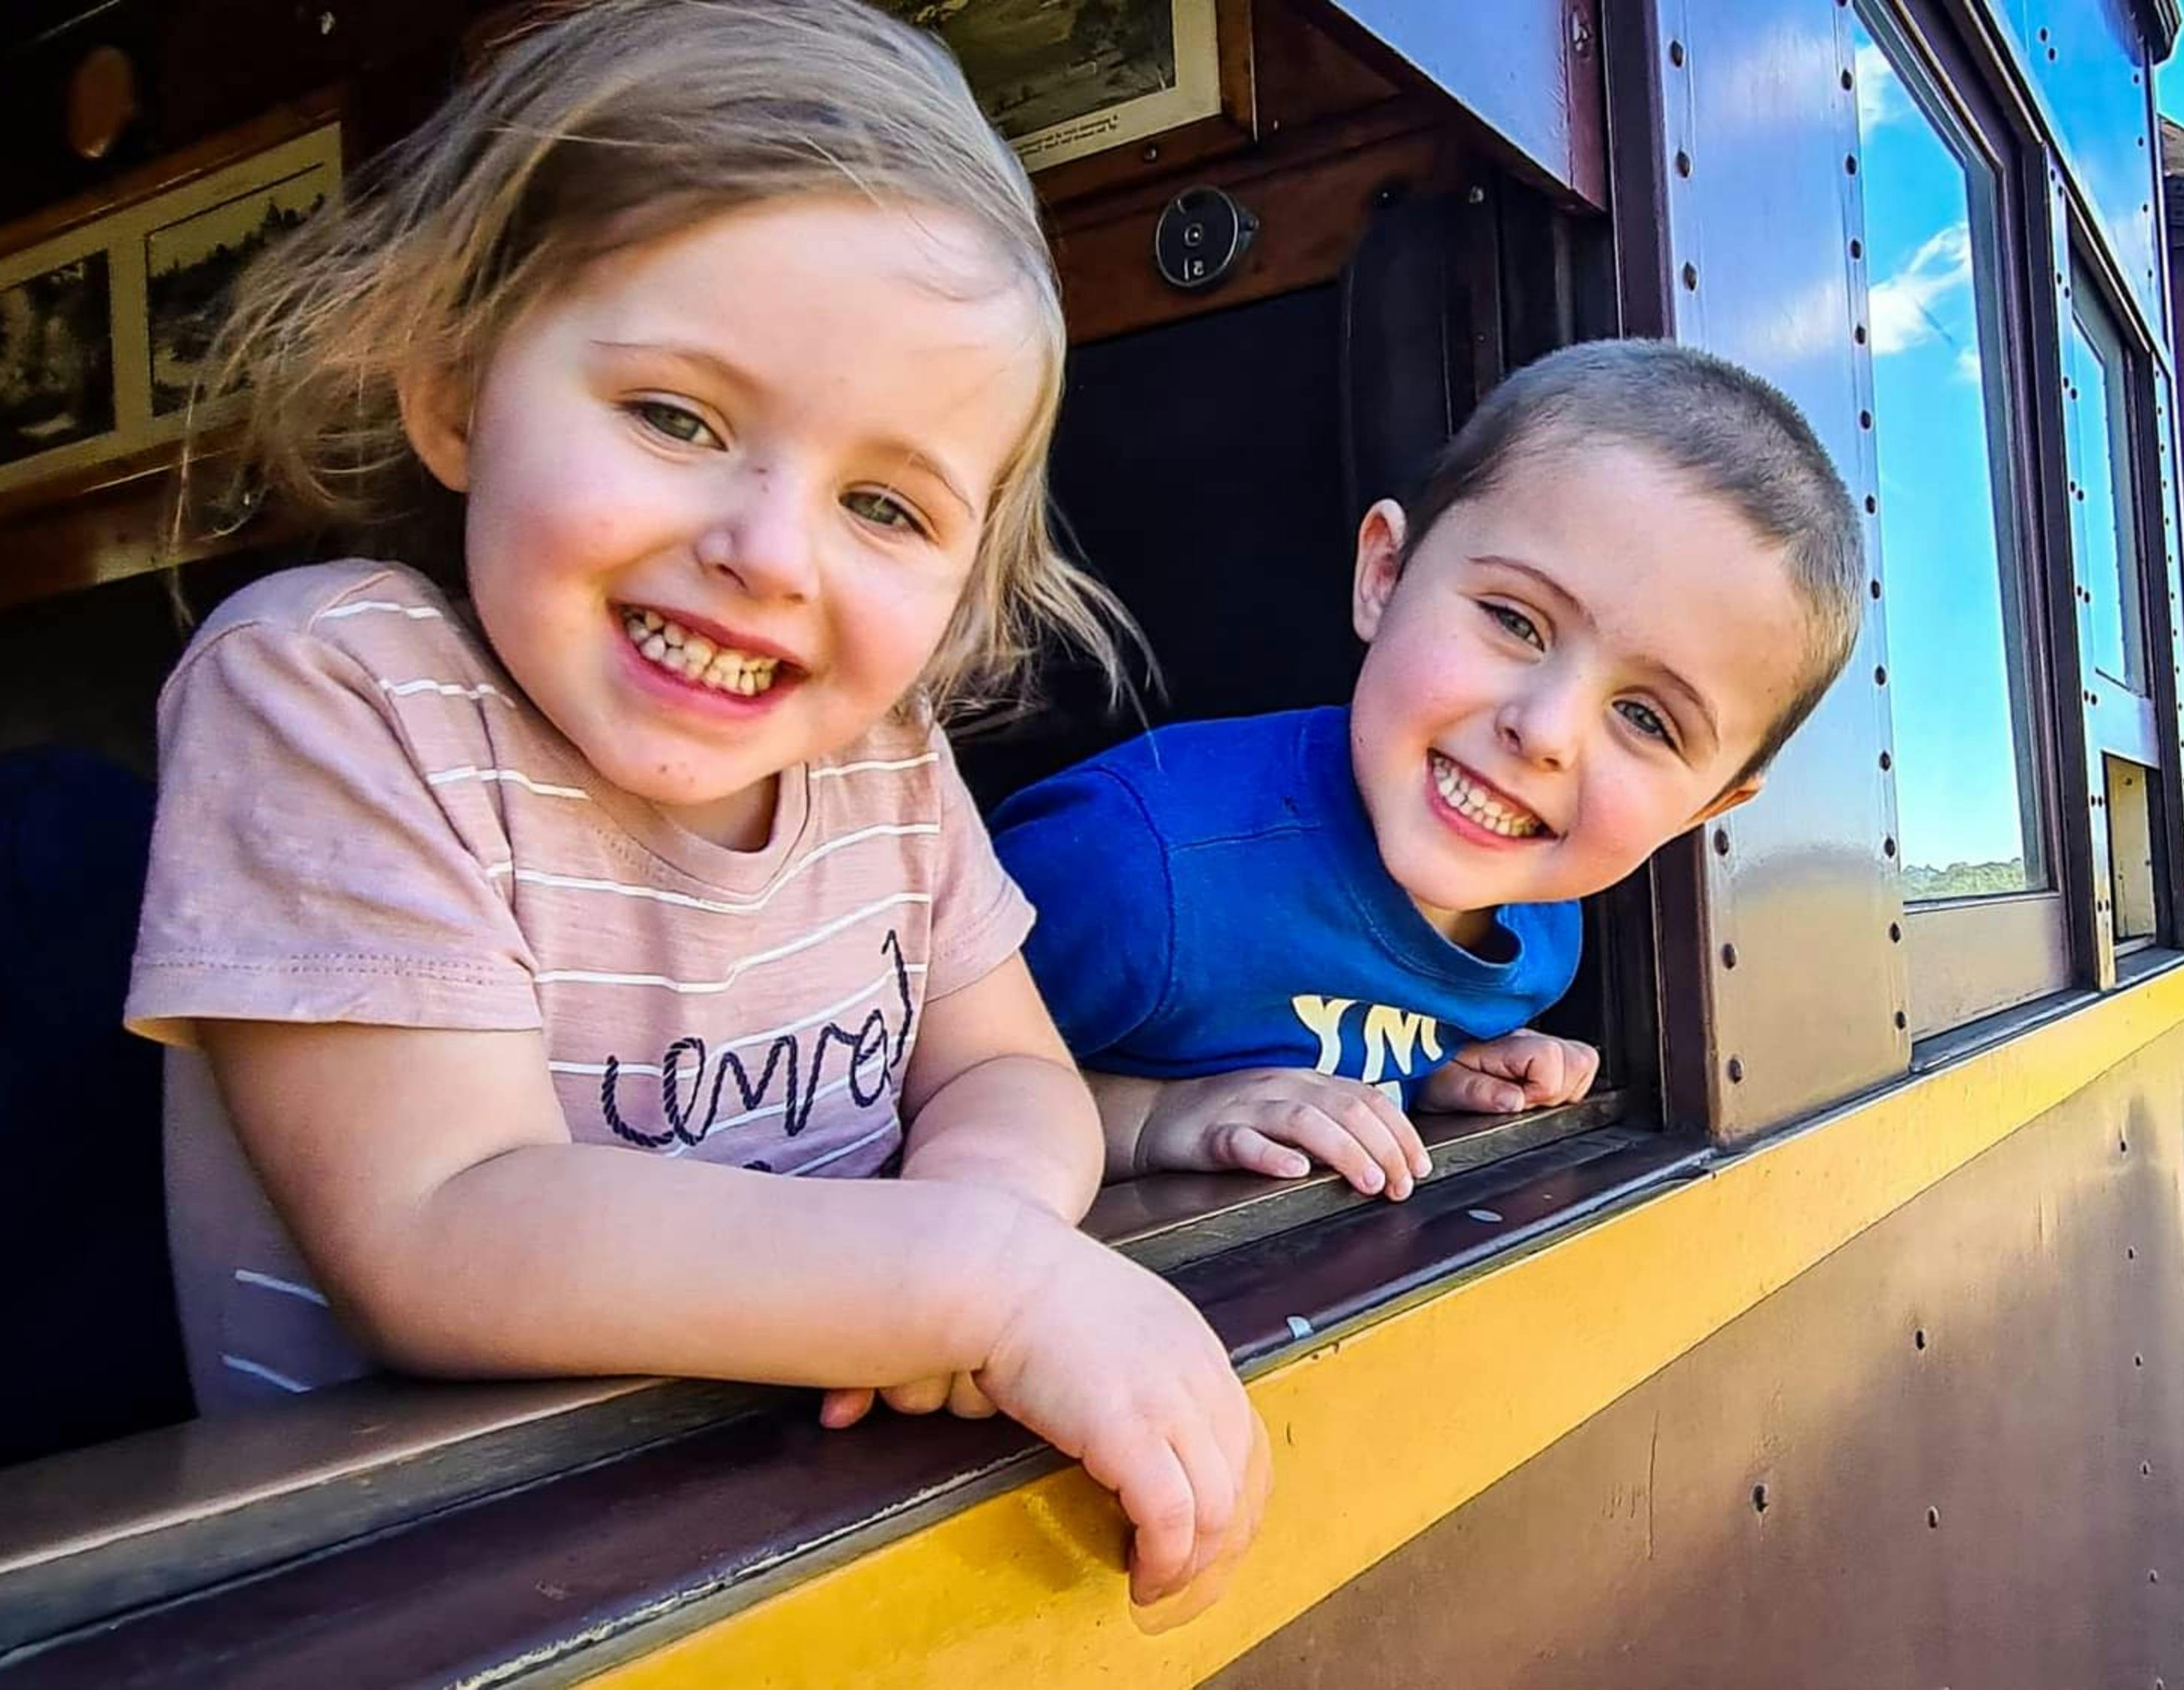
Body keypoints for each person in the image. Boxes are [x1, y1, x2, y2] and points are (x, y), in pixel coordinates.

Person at [124, 0, 1261, 1615]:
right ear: (456, 389)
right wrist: (975, 1287)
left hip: (824, 1525)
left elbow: (1005, 1065)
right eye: (676, 418)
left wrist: (976, 1211)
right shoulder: (329, 690)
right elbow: (442, 1229)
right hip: (442, 1601)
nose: (770, 552)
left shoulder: (883, 760)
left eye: (881, 503)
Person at [992, 340, 1865, 1202]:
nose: (1546, 731)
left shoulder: (1543, 931)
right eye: (1514, 622)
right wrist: (1146, 1118)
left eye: (1644, 718)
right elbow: (891, 1098)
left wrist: (1425, 1069)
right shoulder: (1133, 874)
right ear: (1384, 574)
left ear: (1705, 808)